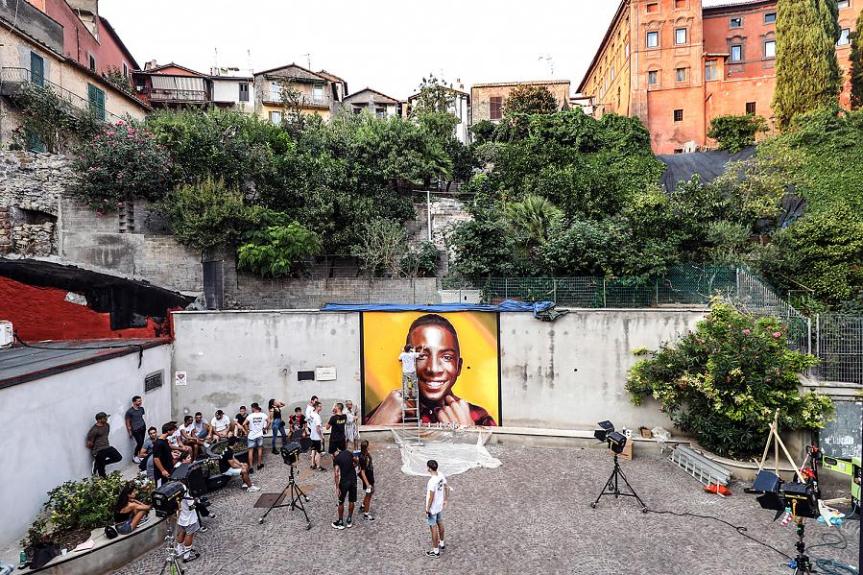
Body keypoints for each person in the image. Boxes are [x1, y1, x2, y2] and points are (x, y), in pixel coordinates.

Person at [367, 314, 497, 427]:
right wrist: (374, 430)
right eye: (421, 356)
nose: (433, 369)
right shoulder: (384, 412)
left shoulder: (480, 418)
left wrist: (469, 435)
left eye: (447, 357)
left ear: (459, 367)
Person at [424, 459, 449, 558]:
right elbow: (446, 487)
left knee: (433, 527)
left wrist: (427, 509)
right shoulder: (441, 475)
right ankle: (442, 543)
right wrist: (446, 499)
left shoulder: (431, 481)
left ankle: (435, 551)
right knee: (440, 523)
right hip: (439, 505)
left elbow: (431, 496)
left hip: (433, 508)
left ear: (429, 468)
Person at [86, 412, 123, 478]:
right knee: (102, 473)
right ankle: (99, 467)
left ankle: (99, 463)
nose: (106, 419)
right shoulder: (94, 430)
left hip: (107, 447)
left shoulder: (107, 425)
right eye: (105, 418)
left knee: (118, 457)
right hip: (98, 450)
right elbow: (89, 443)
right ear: (99, 420)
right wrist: (95, 451)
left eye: (106, 418)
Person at [331, 445, 358, 530]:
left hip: (344, 481)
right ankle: (349, 520)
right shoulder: (348, 453)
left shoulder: (336, 459)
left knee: (341, 502)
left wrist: (337, 487)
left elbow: (336, 474)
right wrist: (355, 465)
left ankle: (340, 522)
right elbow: (356, 460)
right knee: (351, 500)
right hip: (353, 479)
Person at [175, 484, 201, 563]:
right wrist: (196, 501)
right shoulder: (183, 488)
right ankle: (187, 555)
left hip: (180, 517)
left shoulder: (173, 488)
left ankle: (179, 549)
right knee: (189, 534)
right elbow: (191, 506)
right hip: (189, 518)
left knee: (181, 532)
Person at [244, 403, 268, 471]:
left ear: (253, 408)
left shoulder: (251, 416)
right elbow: (269, 421)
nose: (251, 409)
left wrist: (247, 431)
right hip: (260, 434)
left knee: (250, 451)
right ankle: (259, 464)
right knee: (259, 449)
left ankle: (251, 467)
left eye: (251, 408)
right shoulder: (263, 415)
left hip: (251, 435)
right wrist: (265, 428)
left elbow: (244, 424)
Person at [153, 422, 177, 486]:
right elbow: (156, 459)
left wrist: (172, 454)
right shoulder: (158, 443)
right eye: (173, 430)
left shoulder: (165, 441)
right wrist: (163, 470)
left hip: (168, 468)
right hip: (161, 473)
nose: (174, 432)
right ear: (168, 431)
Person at [125, 396, 146, 464]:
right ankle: (135, 456)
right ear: (134, 402)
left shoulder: (141, 409)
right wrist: (130, 431)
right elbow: (127, 422)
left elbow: (141, 416)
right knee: (139, 443)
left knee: (142, 442)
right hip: (136, 429)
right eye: (139, 401)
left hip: (143, 427)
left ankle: (140, 455)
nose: (140, 402)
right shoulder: (129, 412)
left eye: (140, 401)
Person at [358, 440, 375, 521]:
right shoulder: (363, 458)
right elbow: (362, 472)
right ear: (366, 447)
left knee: (371, 492)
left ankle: (363, 506)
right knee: (369, 495)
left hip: (370, 477)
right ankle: (366, 514)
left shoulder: (366, 454)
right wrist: (367, 484)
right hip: (367, 479)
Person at [308, 402, 325, 471]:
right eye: (320, 406)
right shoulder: (317, 417)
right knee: (318, 452)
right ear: (316, 407)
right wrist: (321, 437)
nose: (321, 408)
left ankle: (312, 464)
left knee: (313, 449)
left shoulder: (311, 414)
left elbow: (309, 423)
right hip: (317, 437)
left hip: (312, 436)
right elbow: (318, 429)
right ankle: (318, 466)